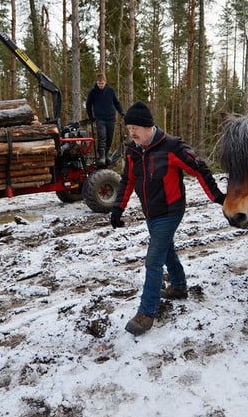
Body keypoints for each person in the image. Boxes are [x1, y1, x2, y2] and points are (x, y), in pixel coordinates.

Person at [110, 101, 226, 336]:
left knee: (154, 260)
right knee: (166, 249)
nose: (132, 133)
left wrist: (217, 197)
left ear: (148, 127)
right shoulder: (132, 151)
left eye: (135, 128)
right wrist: (118, 208)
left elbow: (199, 168)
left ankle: (146, 313)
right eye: (129, 128)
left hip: (171, 211)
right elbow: (128, 180)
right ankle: (179, 286)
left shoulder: (172, 146)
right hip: (150, 213)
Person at [85, 73, 124, 165]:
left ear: (105, 82)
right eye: (99, 83)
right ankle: (101, 156)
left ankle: (106, 155)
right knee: (102, 136)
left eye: (102, 83)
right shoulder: (93, 92)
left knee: (109, 138)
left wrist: (121, 112)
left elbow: (116, 102)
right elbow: (88, 105)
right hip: (100, 118)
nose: (100, 85)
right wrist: (91, 117)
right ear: (96, 82)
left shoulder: (110, 90)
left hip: (110, 118)